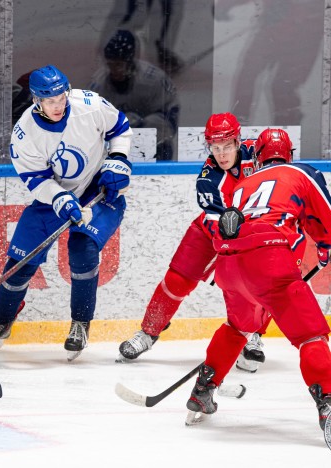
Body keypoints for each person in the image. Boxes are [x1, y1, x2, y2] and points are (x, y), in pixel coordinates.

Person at [0, 64, 133, 361]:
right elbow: (37, 181)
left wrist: (119, 159)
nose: (58, 106)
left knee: (82, 249)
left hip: (98, 189)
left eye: (61, 98)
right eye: (50, 101)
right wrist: (60, 199)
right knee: (21, 259)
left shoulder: (89, 105)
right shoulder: (25, 134)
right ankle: (1, 321)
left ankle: (80, 325)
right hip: (53, 194)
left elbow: (120, 128)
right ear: (36, 100)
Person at [184, 128, 331, 438]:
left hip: (230, 264)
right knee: (310, 336)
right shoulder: (303, 172)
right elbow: (324, 218)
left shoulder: (244, 184)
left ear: (258, 157)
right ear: (289, 154)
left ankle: (203, 390)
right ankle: (328, 404)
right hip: (269, 262)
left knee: (237, 326)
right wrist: (324, 244)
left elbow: (238, 224)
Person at [117, 112, 270, 372]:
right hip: (214, 230)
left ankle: (252, 336)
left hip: (257, 233)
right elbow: (220, 226)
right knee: (177, 280)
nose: (221, 154)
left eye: (227, 146)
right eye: (215, 148)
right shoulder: (208, 179)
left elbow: (283, 167)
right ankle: (148, 332)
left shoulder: (258, 154)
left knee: (266, 280)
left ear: (237, 141)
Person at [89, 29, 179, 161]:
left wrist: (142, 125)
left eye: (119, 64)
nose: (114, 70)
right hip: (115, 149)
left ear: (130, 61)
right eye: (110, 64)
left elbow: (170, 123)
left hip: (156, 148)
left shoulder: (155, 81)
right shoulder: (99, 84)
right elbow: (92, 127)